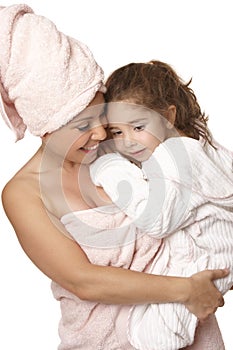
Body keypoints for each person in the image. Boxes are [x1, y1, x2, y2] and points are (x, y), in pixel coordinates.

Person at [0, 5, 228, 350]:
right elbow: (83, 281)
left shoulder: (123, 144)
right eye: (80, 126)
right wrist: (189, 289)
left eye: (101, 114)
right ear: (44, 127)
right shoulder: (24, 193)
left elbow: (199, 178)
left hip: (190, 329)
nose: (98, 133)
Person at [90, 60, 233, 349]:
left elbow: (156, 219)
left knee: (152, 336)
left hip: (200, 265)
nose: (128, 141)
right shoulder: (201, 142)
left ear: (168, 116)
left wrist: (109, 166)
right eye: (117, 132)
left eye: (138, 126)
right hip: (216, 254)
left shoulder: (173, 154)